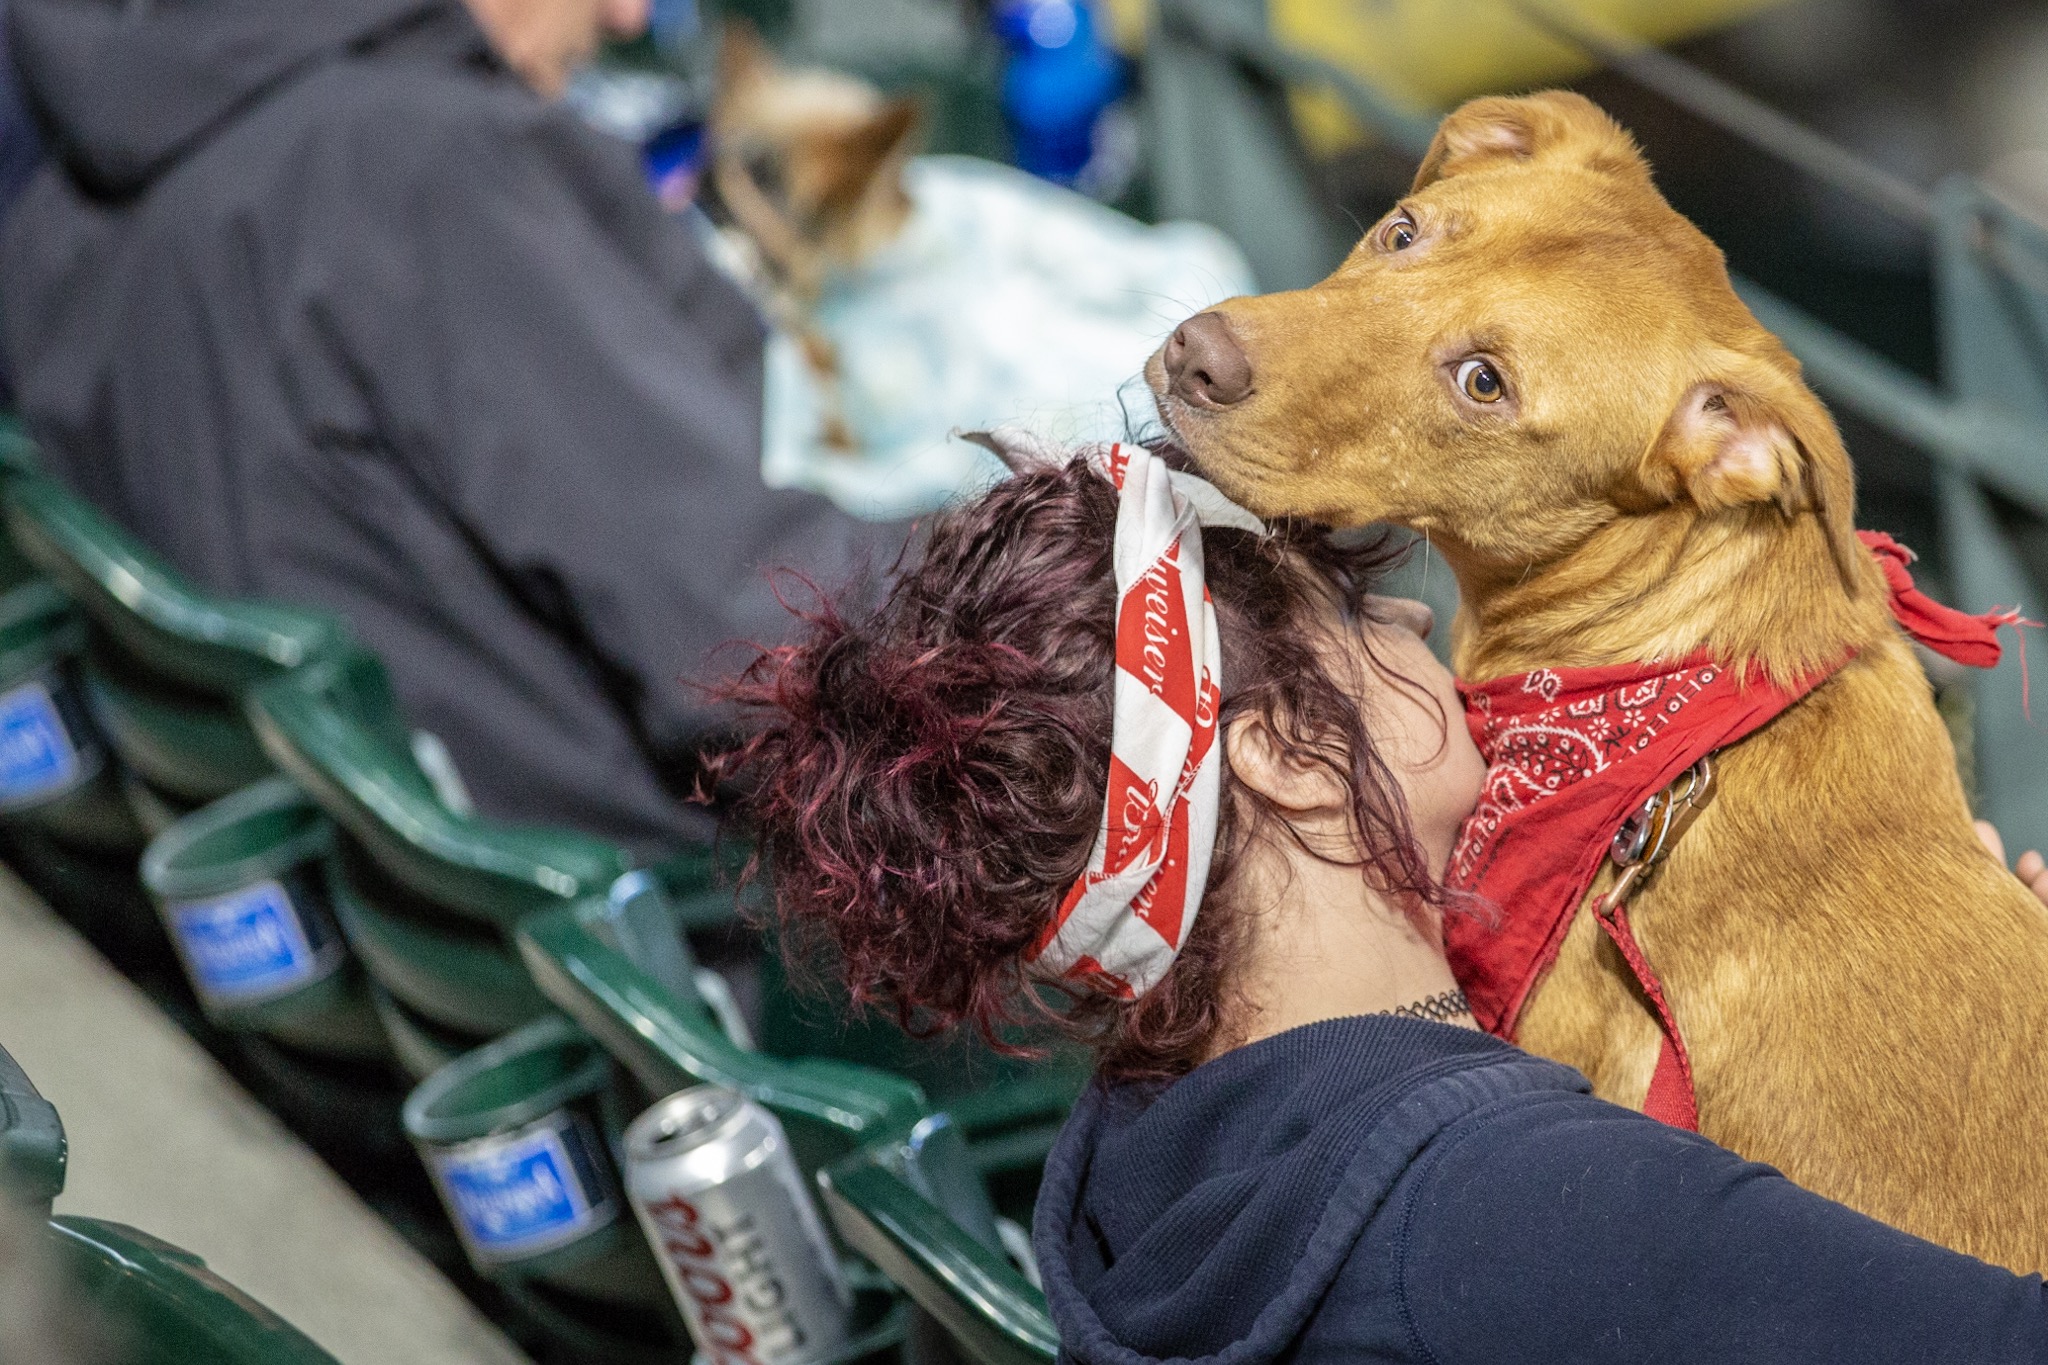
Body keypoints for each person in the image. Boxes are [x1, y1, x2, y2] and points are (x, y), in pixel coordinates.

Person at [709, 445, 2048, 1364]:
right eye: (1350, 612)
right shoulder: (1526, 1213)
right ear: (1286, 755)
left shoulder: (1140, 1162)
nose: (1415, 633)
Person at [0, 0, 895, 858]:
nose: (628, 15)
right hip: (600, 921)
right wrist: (1018, 566)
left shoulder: (80, 146)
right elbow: (755, 635)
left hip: (333, 909)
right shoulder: (424, 169)